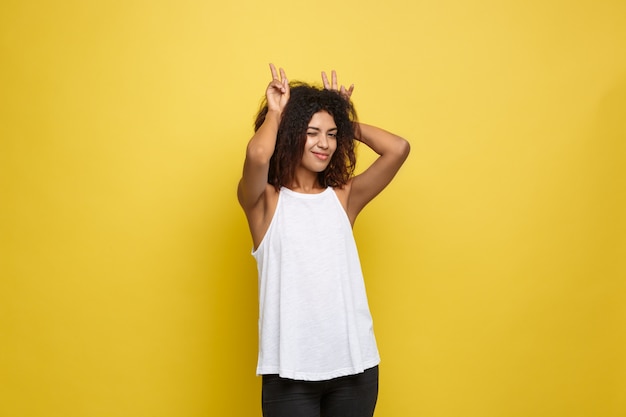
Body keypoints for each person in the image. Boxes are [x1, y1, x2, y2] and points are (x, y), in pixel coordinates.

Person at [237, 63, 410, 417]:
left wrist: (345, 120)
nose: (324, 144)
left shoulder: (344, 197)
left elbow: (398, 148)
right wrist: (277, 113)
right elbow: (257, 155)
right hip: (289, 373)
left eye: (332, 134)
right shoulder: (264, 204)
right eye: (312, 132)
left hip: (355, 368)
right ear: (290, 133)